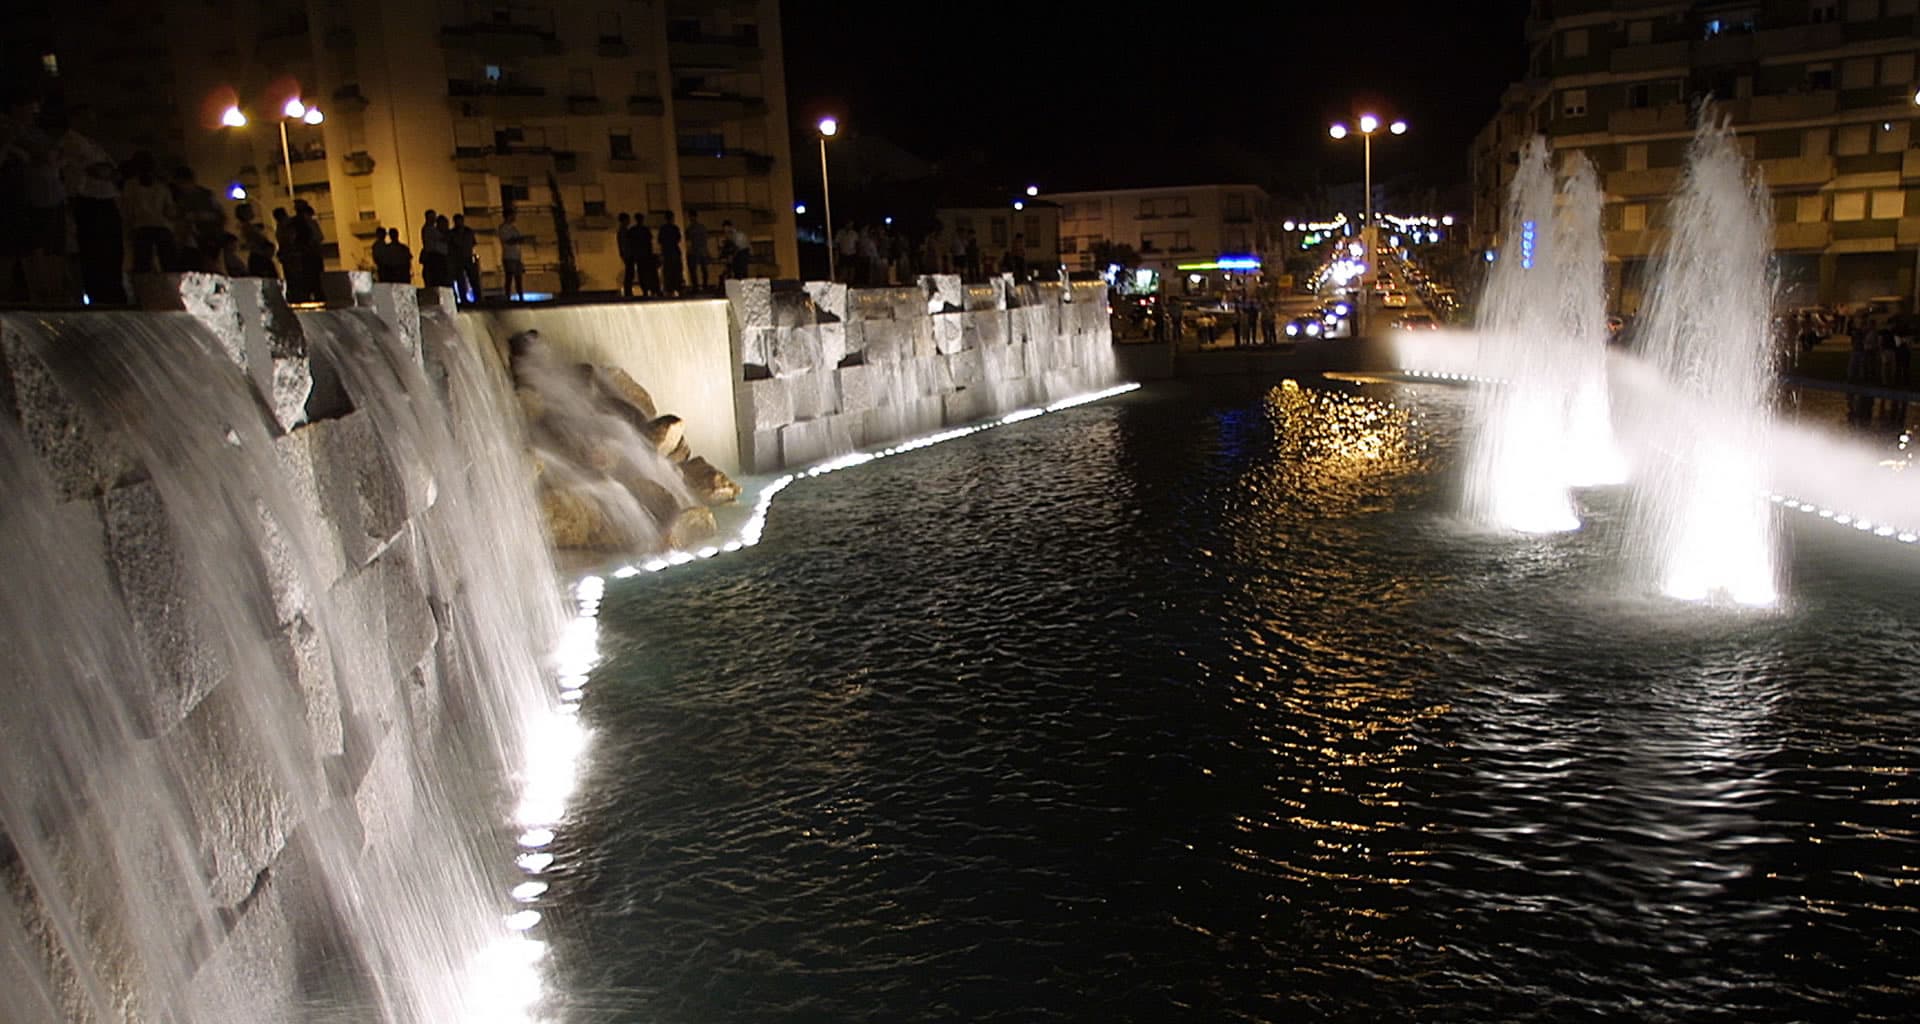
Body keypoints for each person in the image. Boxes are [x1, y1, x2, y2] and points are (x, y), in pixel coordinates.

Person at [53, 109, 125, 304]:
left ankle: (113, 295)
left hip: (104, 200)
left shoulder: (94, 144)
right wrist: (103, 171)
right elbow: (97, 170)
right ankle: (101, 296)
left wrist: (107, 172)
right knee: (95, 253)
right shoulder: (72, 140)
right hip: (89, 201)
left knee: (112, 252)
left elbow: (112, 172)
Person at [170, 166, 224, 273]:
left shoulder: (205, 195)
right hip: (192, 240)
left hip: (207, 237)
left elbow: (219, 215)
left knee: (209, 266)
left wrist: (198, 216)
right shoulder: (181, 198)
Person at [236, 203, 277, 279]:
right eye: (249, 210)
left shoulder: (249, 227)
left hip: (260, 257)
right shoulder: (248, 229)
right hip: (260, 258)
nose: (253, 212)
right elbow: (257, 243)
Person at [448, 212, 478, 302]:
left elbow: (473, 243)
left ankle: (477, 297)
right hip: (458, 259)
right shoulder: (452, 233)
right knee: (461, 279)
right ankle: (463, 298)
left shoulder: (468, 231)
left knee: (473, 278)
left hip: (468, 257)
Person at [498, 207, 526, 301]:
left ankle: (521, 296)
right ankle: (508, 296)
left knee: (518, 277)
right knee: (509, 277)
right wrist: (518, 239)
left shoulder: (514, 228)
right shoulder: (503, 228)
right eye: (513, 215)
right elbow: (508, 241)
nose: (514, 217)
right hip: (509, 256)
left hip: (516, 256)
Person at [628, 213, 659, 297]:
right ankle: (650, 289)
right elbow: (649, 243)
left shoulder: (633, 230)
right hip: (646, 255)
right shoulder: (645, 230)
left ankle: (645, 290)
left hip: (639, 255)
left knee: (642, 273)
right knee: (648, 273)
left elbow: (631, 243)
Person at [656, 211, 684, 295]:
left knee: (668, 272)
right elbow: (678, 239)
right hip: (674, 252)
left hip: (666, 253)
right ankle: (678, 287)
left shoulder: (663, 229)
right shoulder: (675, 228)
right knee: (676, 271)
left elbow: (660, 241)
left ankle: (669, 289)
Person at [420, 209, 448, 288]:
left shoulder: (432, 229)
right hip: (435, 256)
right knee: (437, 277)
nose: (434, 219)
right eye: (432, 217)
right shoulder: (429, 229)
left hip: (438, 255)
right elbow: (443, 238)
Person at [685, 210, 710, 292]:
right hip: (699, 250)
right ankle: (702, 285)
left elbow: (689, 241)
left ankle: (699, 285)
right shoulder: (697, 228)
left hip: (697, 250)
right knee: (700, 269)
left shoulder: (692, 229)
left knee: (698, 269)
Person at [616, 212, 635, 297]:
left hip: (626, 254)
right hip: (628, 254)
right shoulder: (624, 231)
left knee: (629, 272)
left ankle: (628, 290)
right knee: (629, 273)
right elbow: (625, 244)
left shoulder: (621, 230)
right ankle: (628, 291)